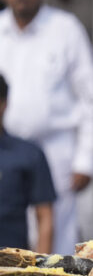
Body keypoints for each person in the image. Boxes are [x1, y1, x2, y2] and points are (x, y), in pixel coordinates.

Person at [0, 0, 93, 254]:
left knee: (58, 235)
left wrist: (86, 158)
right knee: (11, 233)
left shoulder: (65, 28)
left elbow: (90, 96)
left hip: (57, 150)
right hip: (7, 151)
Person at [0, 75, 56, 253]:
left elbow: (45, 216)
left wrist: (40, 272)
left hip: (11, 266)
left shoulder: (28, 154)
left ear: (4, 104)